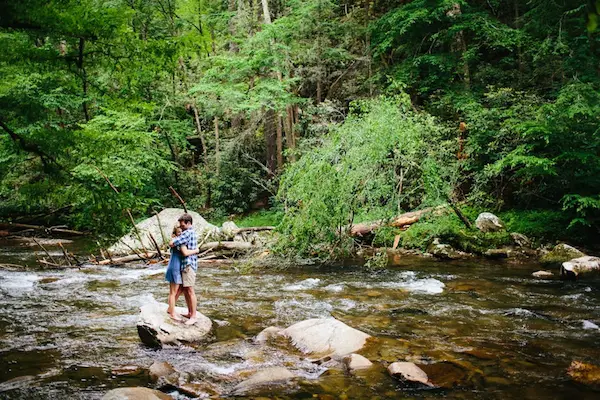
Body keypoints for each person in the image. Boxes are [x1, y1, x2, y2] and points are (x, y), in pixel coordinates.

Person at [169, 213, 199, 325]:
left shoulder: (187, 233)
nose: (181, 227)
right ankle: (190, 312)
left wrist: (173, 240)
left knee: (190, 291)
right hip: (187, 265)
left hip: (188, 265)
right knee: (186, 290)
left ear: (188, 223)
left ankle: (194, 316)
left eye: (182, 225)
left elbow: (172, 243)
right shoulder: (191, 232)